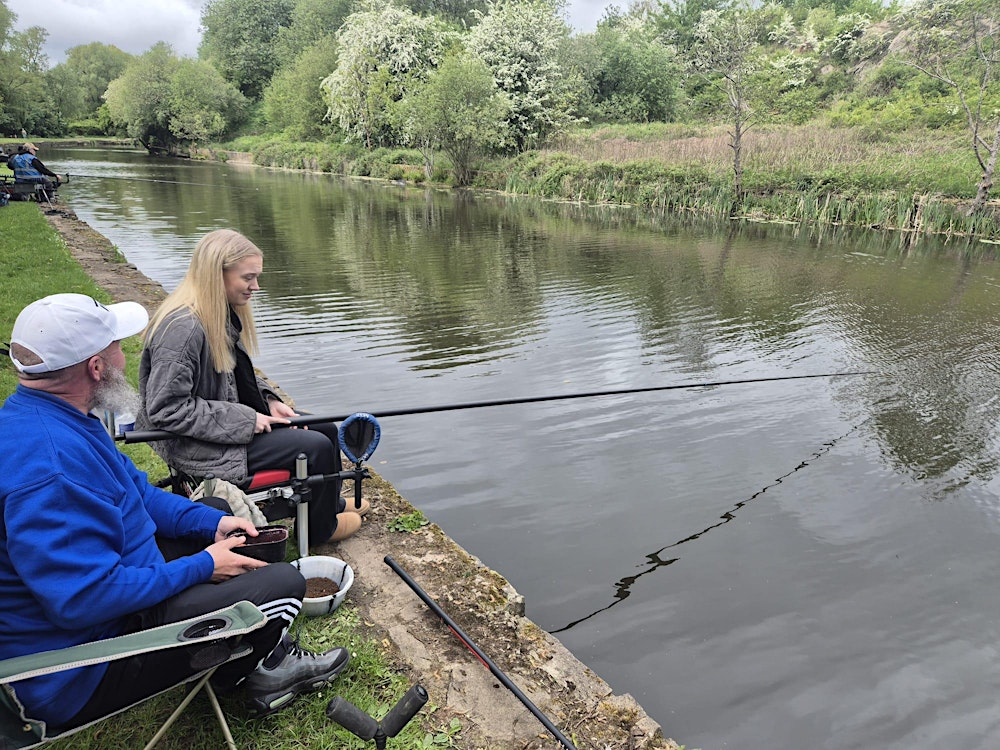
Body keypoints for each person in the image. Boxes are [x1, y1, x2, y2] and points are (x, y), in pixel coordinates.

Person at [0, 293, 350, 728]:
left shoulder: (56, 416)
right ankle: (248, 679)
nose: (124, 356)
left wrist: (214, 523)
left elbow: (139, 497)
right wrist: (203, 566)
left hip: (108, 603)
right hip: (82, 666)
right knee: (284, 582)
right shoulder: (52, 470)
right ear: (96, 366)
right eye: (116, 346)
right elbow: (83, 601)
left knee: (217, 509)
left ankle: (244, 646)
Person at [137, 229, 364, 547]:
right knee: (316, 447)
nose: (255, 287)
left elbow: (234, 377)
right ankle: (319, 531)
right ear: (217, 274)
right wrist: (245, 420)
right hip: (197, 444)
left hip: (218, 427)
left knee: (324, 428)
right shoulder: (184, 329)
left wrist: (268, 402)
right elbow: (165, 409)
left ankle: (327, 508)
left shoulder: (215, 314)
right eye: (248, 278)